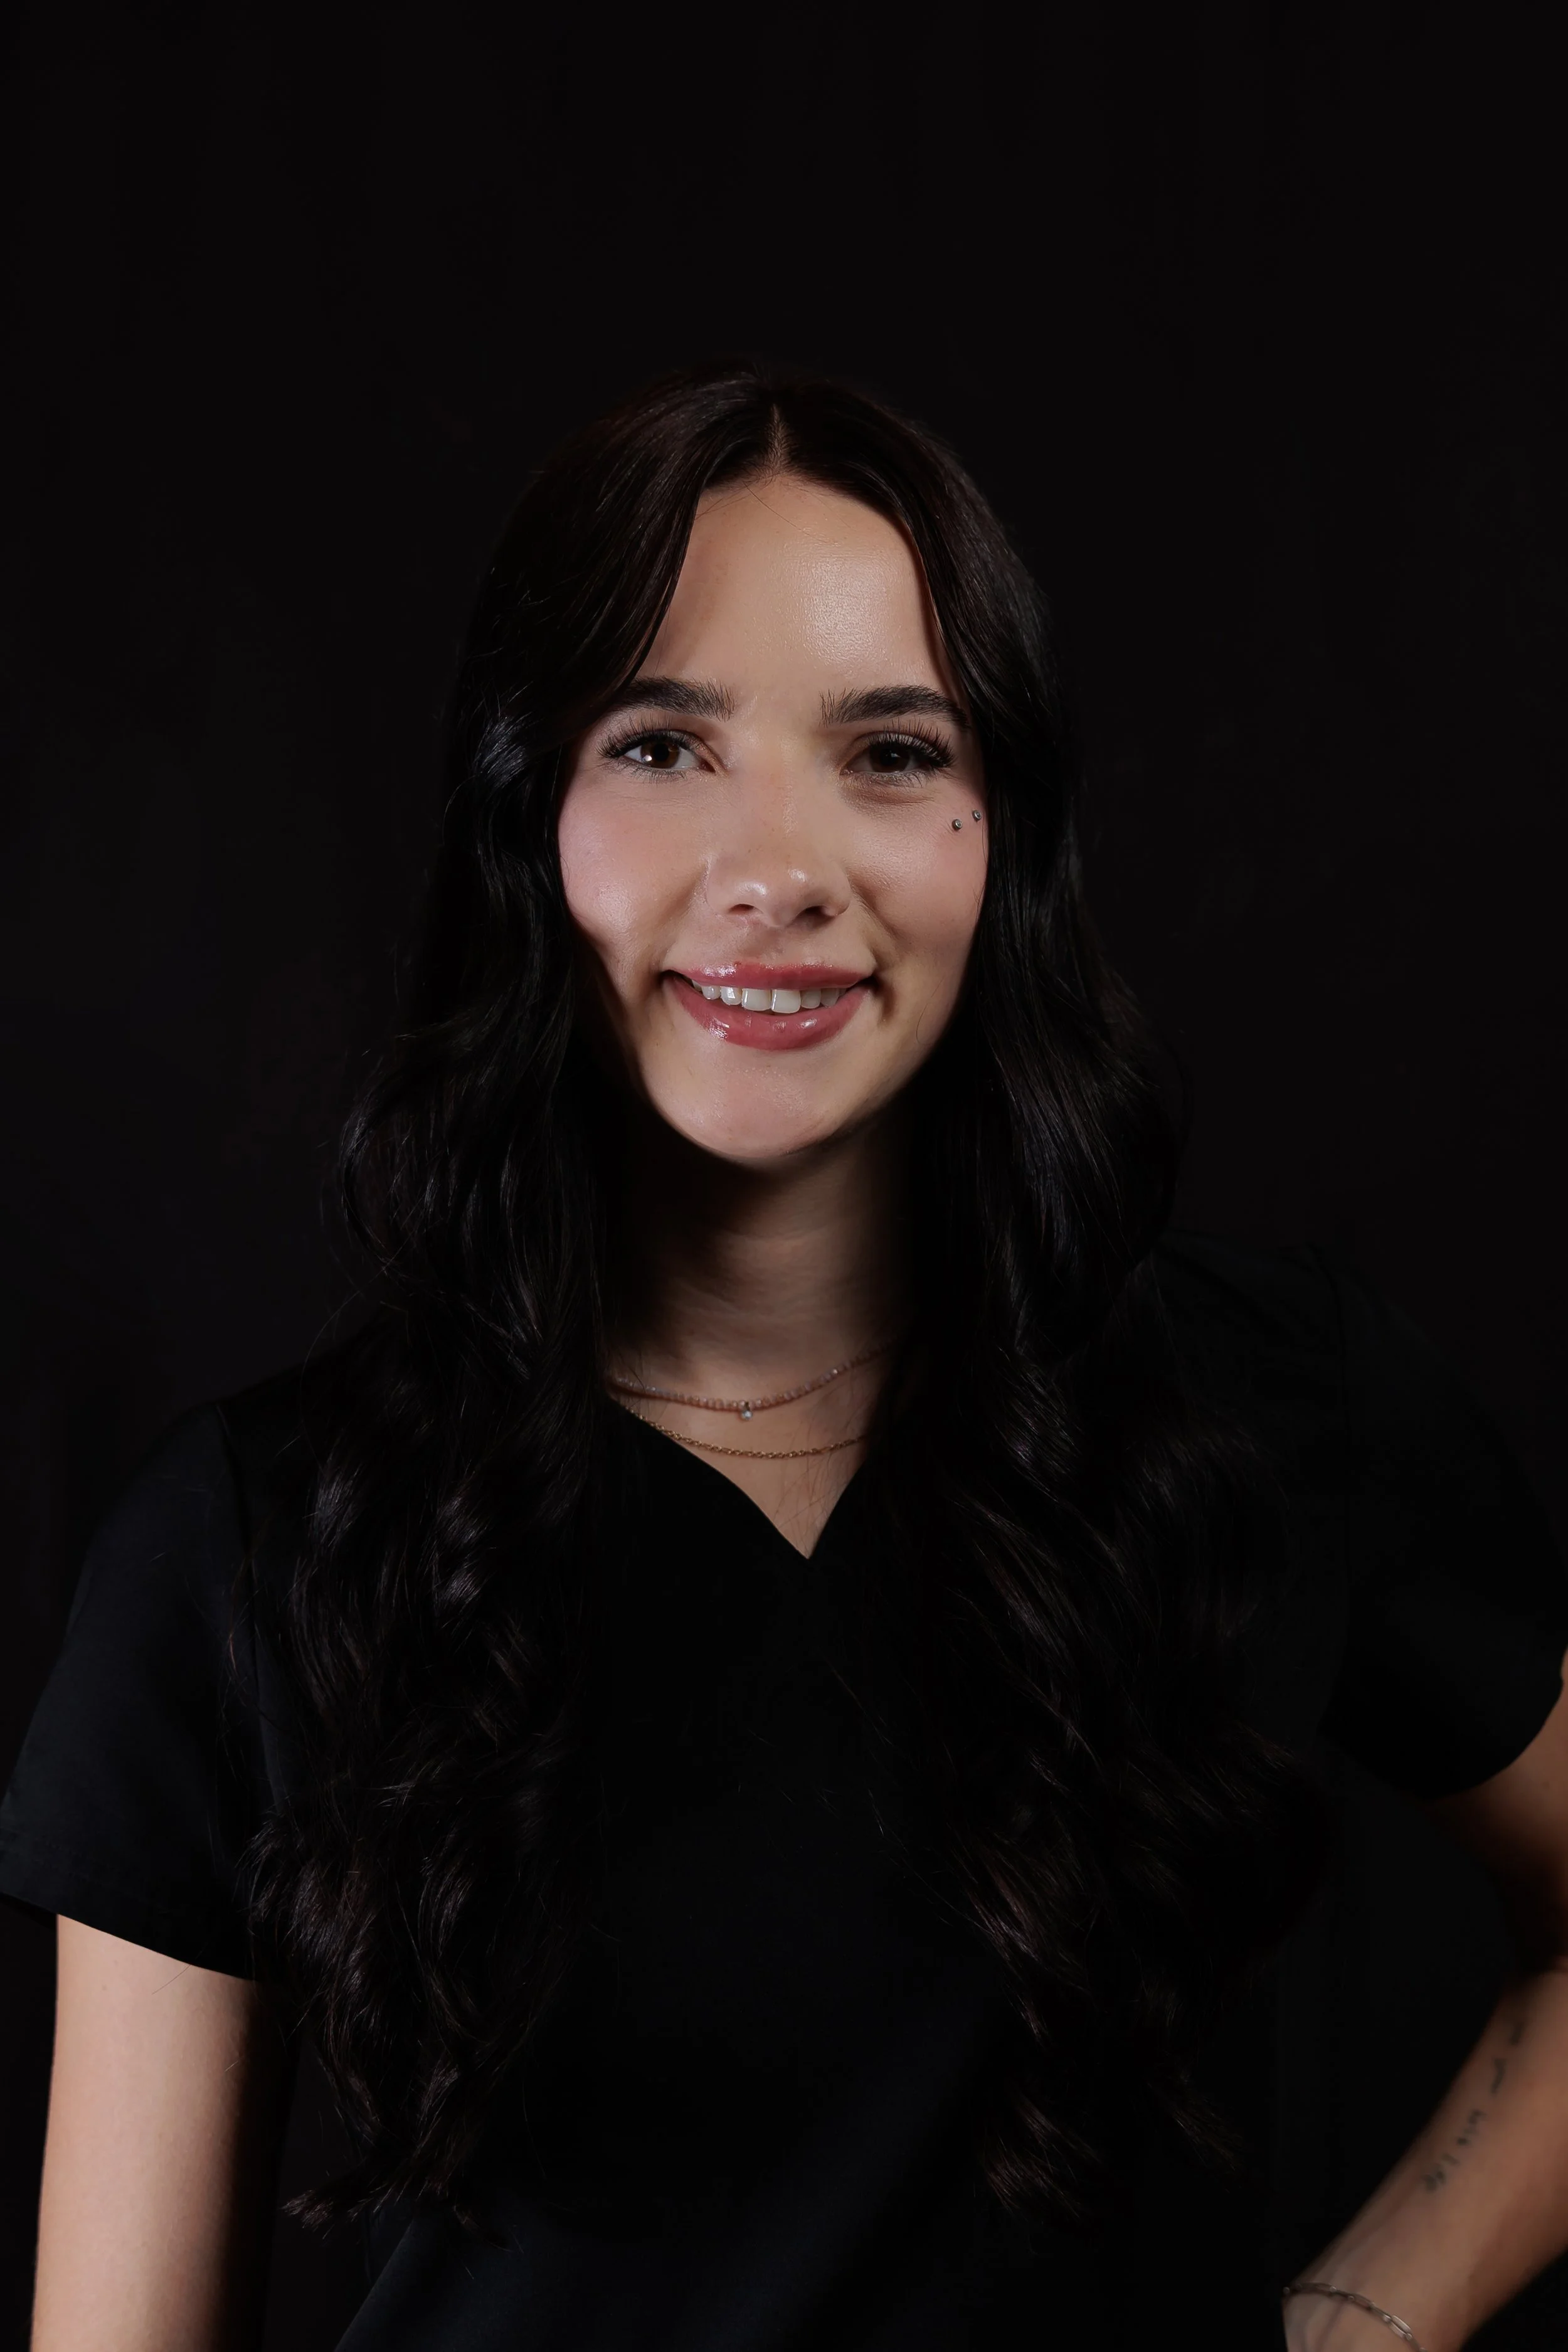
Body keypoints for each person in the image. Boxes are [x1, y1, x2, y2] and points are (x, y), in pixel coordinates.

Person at [3, 362, 1566, 2352]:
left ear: (1002, 828)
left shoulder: (1260, 1408)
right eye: (662, 743)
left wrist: (1356, 2323)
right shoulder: (245, 1546)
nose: (778, 863)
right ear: (527, 809)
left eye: (890, 750)